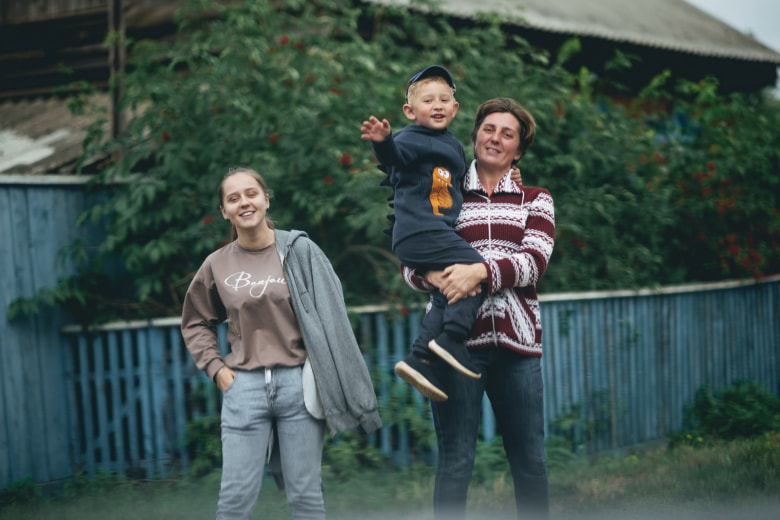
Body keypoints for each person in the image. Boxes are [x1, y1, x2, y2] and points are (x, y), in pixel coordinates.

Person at [181, 167, 382, 520]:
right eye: (233, 199)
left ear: (266, 199)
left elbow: (332, 314)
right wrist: (217, 370)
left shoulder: (299, 250)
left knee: (305, 496)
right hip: (243, 388)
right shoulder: (217, 264)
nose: (244, 203)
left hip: (299, 387)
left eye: (251, 194)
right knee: (234, 501)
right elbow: (196, 321)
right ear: (224, 211)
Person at [402, 98, 555, 520]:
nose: (496, 138)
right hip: (454, 347)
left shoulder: (535, 200)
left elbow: (533, 263)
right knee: (455, 461)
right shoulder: (442, 191)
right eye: (489, 129)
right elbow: (411, 262)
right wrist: (438, 278)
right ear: (474, 136)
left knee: (530, 460)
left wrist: (479, 272)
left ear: (518, 150)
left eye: (508, 134)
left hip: (518, 347)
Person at [360, 65, 484, 403]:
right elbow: (395, 158)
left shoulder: (453, 146)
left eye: (444, 100)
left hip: (431, 232)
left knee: (450, 285)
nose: (437, 105)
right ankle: (452, 338)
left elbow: (465, 186)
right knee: (478, 271)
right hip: (421, 230)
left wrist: (509, 180)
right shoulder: (410, 137)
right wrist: (383, 142)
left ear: (455, 108)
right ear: (410, 111)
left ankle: (421, 357)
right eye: (428, 101)